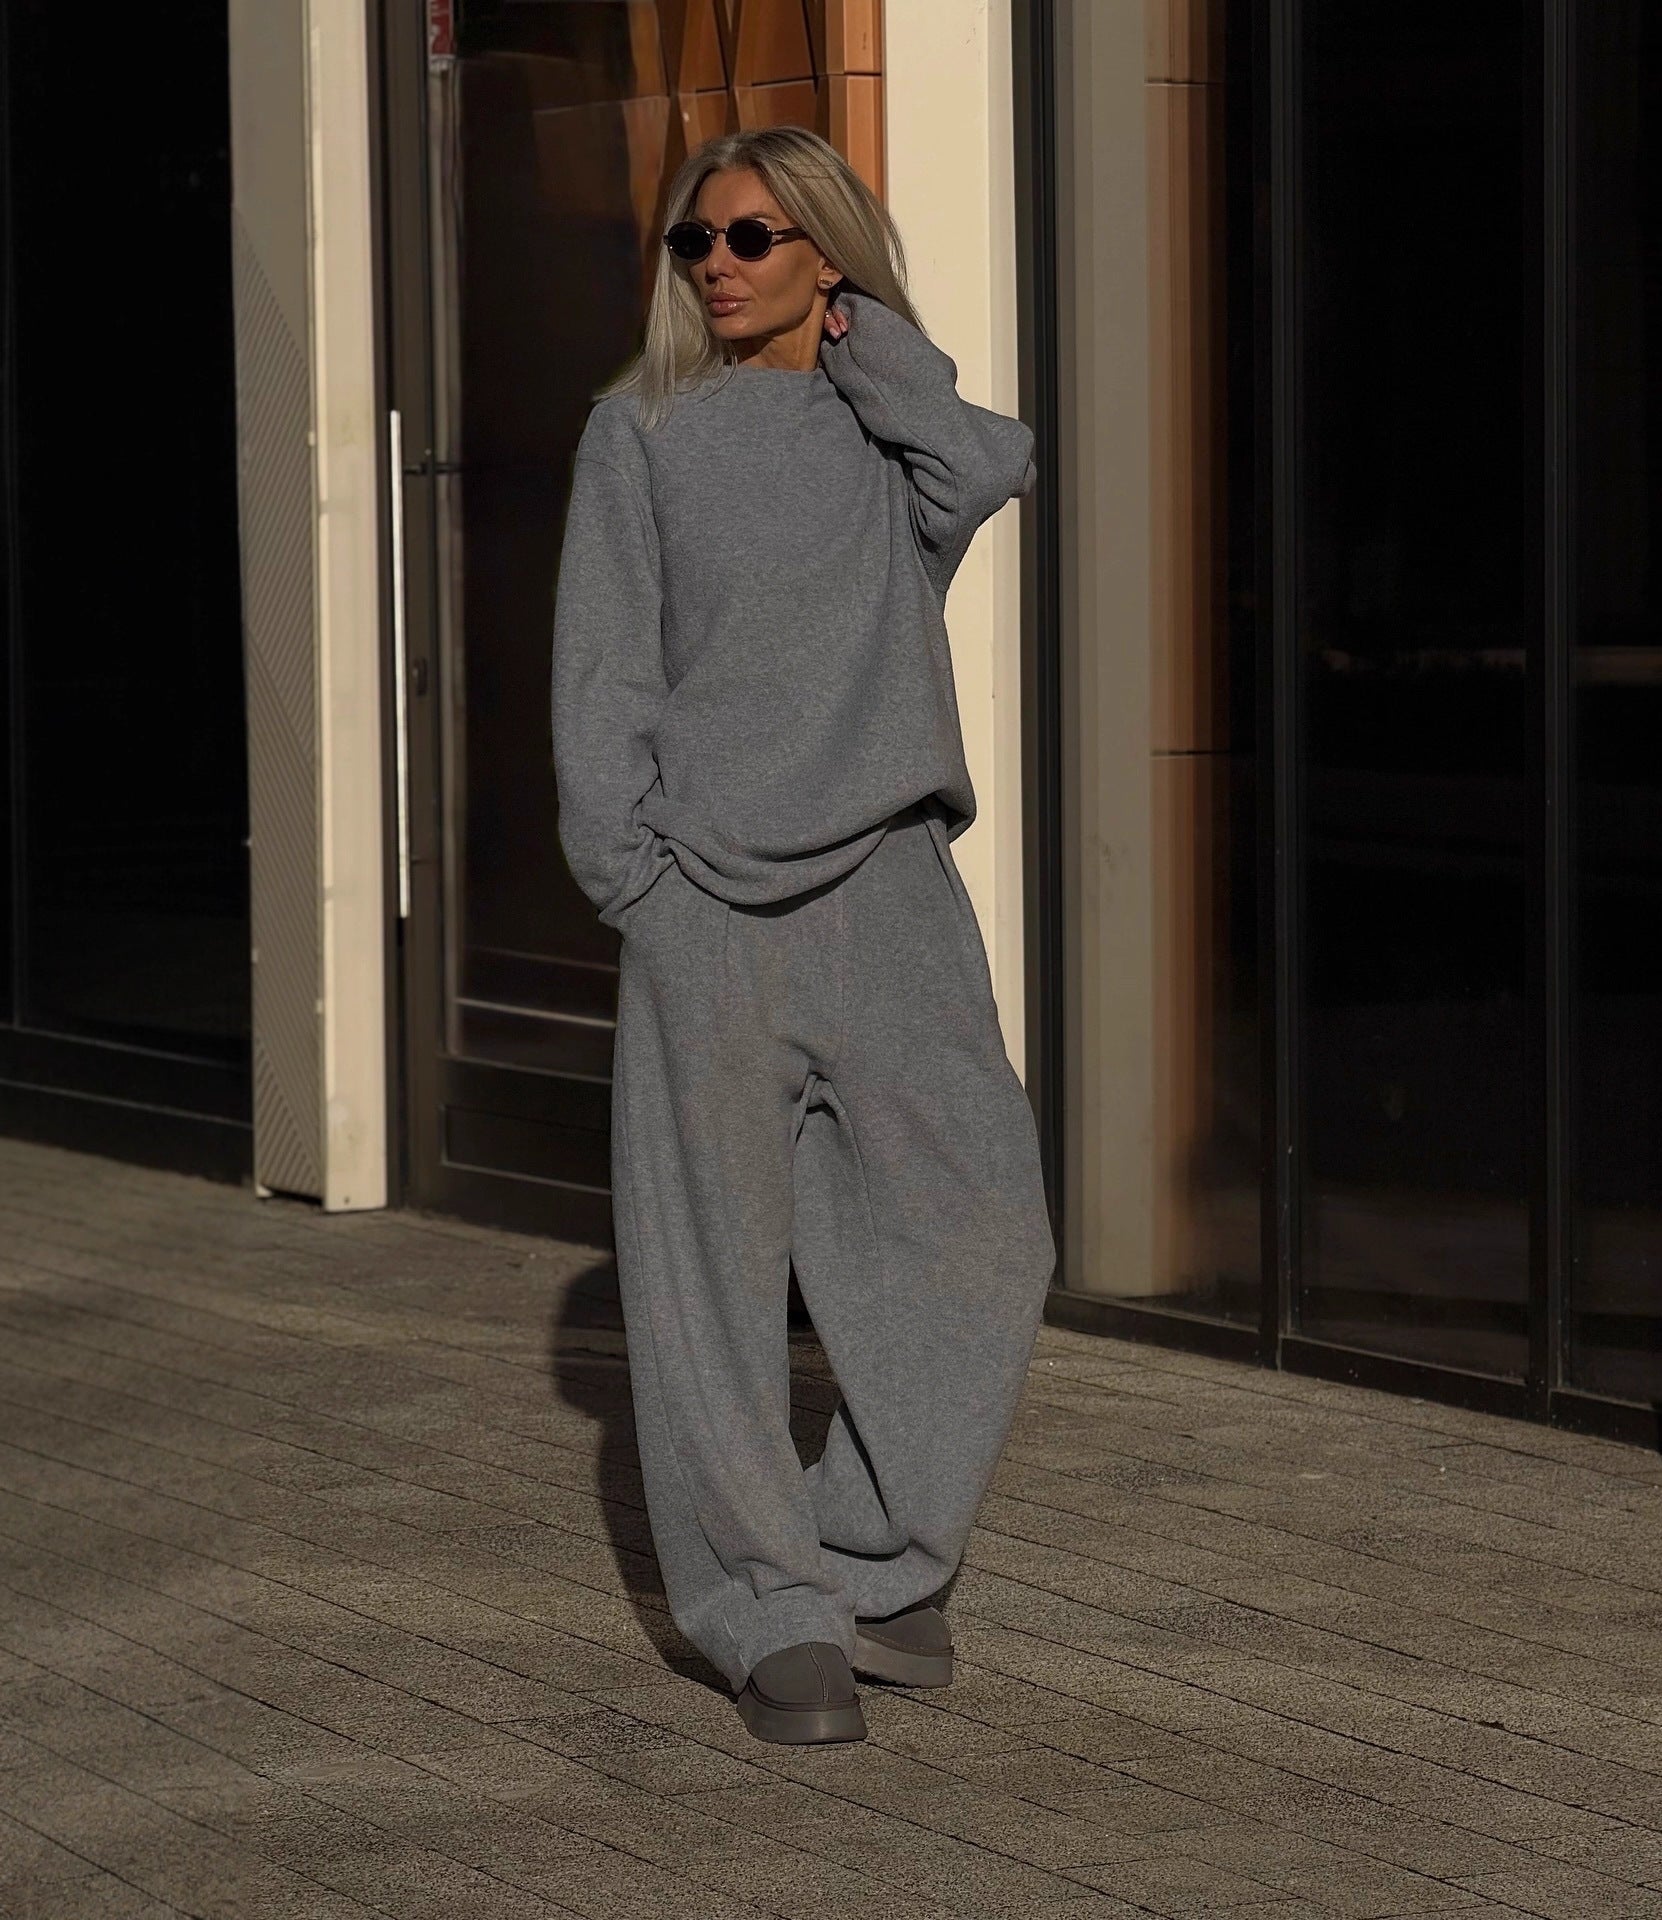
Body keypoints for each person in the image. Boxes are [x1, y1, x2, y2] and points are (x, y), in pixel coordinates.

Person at [548, 126, 1056, 1747]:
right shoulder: (639, 433)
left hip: (893, 890)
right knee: (709, 1275)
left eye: (754, 236)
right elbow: (604, 674)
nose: (716, 264)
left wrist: (868, 340)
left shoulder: (889, 440)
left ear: (824, 251)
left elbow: (991, 462)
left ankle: (879, 1565)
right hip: (708, 907)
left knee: (988, 1230)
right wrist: (637, 884)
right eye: (695, 240)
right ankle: (766, 1608)